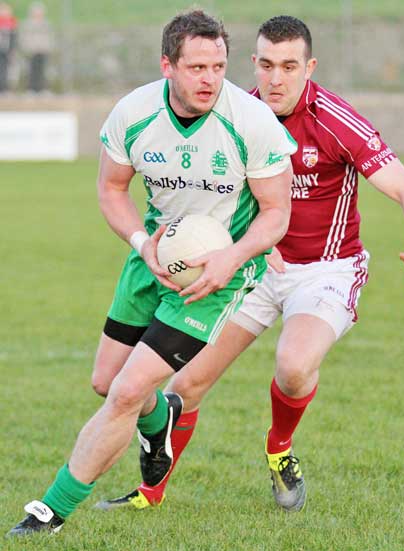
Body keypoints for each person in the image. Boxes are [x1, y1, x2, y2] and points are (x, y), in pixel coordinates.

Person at [95, 16, 404, 514]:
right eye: (267, 65)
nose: (276, 78)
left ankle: (279, 448)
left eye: (290, 66)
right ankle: (150, 494)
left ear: (309, 68)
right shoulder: (234, 114)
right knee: (183, 385)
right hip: (250, 267)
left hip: (325, 268)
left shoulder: (336, 120)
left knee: (294, 367)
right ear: (253, 64)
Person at [8, 10, 296, 537]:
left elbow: (277, 212)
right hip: (153, 258)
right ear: (168, 65)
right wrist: (143, 246)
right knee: (105, 383)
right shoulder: (133, 113)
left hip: (217, 276)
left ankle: (49, 510)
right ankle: (158, 419)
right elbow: (111, 190)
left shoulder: (251, 124)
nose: (210, 79)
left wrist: (233, 257)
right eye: (197, 67)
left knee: (125, 391)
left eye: (218, 66)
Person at [19, 2, 54, 93]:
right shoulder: (27, 24)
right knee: (31, 70)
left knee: (43, 71)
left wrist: (48, 48)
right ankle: (31, 89)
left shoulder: (46, 24)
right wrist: (26, 47)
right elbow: (24, 37)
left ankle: (43, 89)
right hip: (32, 51)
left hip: (43, 50)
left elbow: (49, 38)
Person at [0, 2, 17, 93]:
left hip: (7, 50)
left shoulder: (12, 23)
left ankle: (5, 88)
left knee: (7, 69)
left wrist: (12, 50)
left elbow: (14, 38)